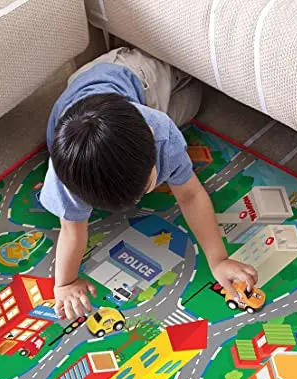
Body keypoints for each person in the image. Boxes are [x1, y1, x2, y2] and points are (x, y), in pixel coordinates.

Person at [40, 47, 258, 319]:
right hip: (86, 94)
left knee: (193, 94)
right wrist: (64, 284)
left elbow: (190, 195)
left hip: (134, 73)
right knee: (187, 104)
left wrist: (218, 260)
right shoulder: (67, 175)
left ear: (152, 138)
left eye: (143, 189)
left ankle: (172, 65)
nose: (137, 201)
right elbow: (71, 231)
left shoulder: (162, 134)